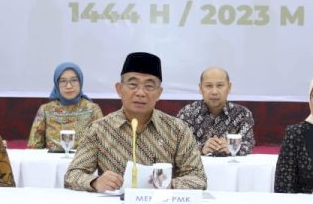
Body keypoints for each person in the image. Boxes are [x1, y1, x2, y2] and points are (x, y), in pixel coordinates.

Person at [64, 52, 207, 192]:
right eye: (133, 84)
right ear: (119, 89)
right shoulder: (100, 129)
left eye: (149, 86)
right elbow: (72, 175)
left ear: (159, 93)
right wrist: (95, 182)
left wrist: (166, 184)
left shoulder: (177, 130)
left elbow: (198, 178)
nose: (140, 93)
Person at [176, 67, 255, 156]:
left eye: (220, 85)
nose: (214, 92)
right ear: (200, 88)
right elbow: (179, 145)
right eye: (209, 86)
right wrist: (201, 148)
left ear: (229, 87)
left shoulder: (242, 114)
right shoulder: (187, 113)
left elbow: (248, 144)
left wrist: (232, 147)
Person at [26, 62, 103, 151]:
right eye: (63, 81)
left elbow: (102, 146)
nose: (69, 86)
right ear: (56, 84)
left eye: (74, 80)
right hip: (52, 163)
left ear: (80, 82)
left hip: (83, 163)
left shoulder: (92, 109)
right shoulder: (46, 110)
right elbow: (33, 149)